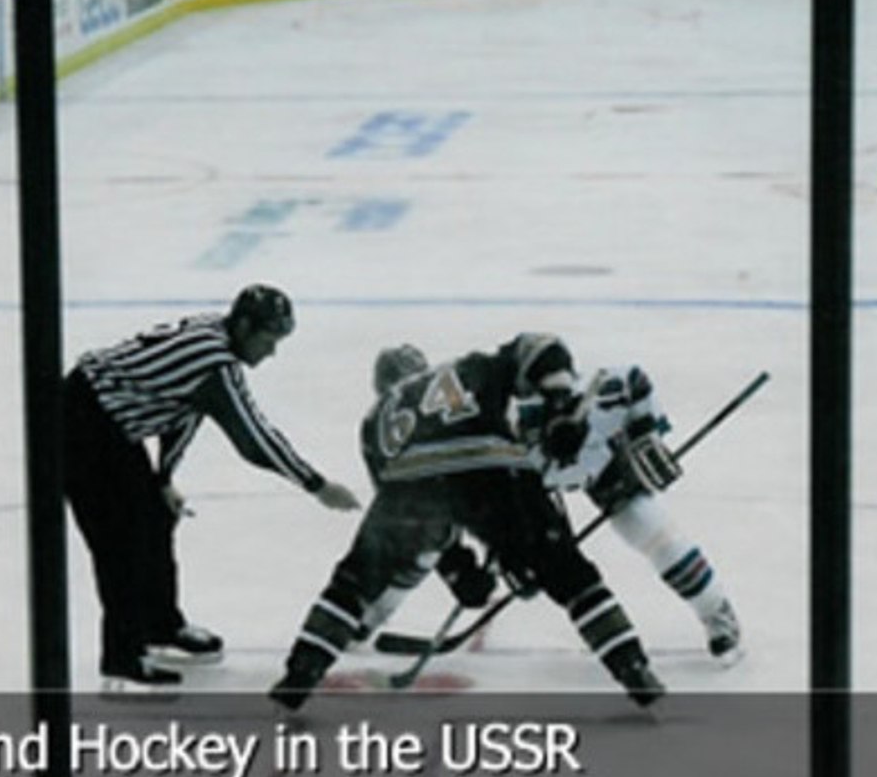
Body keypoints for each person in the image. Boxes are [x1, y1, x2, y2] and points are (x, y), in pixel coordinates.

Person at [269, 333, 665, 711]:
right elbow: (541, 347)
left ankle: (300, 673)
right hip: (491, 468)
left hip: (410, 483)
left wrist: (459, 571)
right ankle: (633, 668)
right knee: (569, 575)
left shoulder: (374, 420)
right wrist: (560, 410)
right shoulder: (467, 369)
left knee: (352, 585)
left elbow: (415, 521)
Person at [63, 284, 361, 690]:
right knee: (121, 544)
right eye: (268, 340)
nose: (271, 352)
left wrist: (163, 479)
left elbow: (183, 412)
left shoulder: (214, 336)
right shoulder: (214, 365)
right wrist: (316, 484)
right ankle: (122, 658)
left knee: (154, 518)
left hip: (106, 422)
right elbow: (254, 440)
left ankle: (160, 624)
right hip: (82, 424)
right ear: (244, 326)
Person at [518, 364, 743, 662]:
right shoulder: (509, 417)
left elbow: (635, 382)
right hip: (530, 484)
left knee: (657, 536)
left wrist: (644, 439)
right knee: (527, 548)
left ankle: (715, 611)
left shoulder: (601, 393)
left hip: (602, 468)